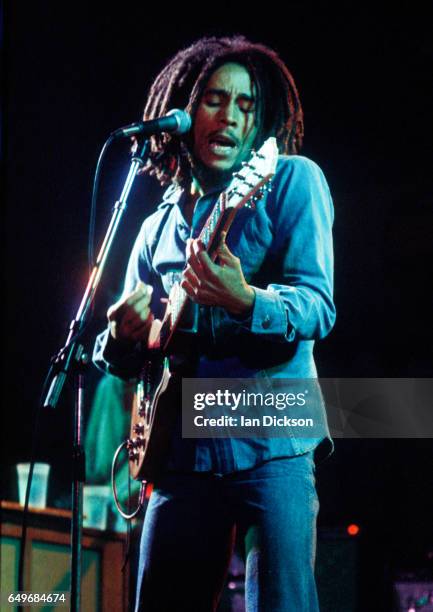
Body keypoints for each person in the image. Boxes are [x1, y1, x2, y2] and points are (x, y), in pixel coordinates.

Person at [94, 35, 336, 612]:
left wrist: (245, 300)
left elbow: (318, 306)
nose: (230, 115)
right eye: (213, 99)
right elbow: (130, 355)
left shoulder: (292, 181)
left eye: (247, 104)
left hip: (272, 435)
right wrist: (123, 338)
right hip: (182, 453)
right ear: (182, 111)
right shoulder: (155, 227)